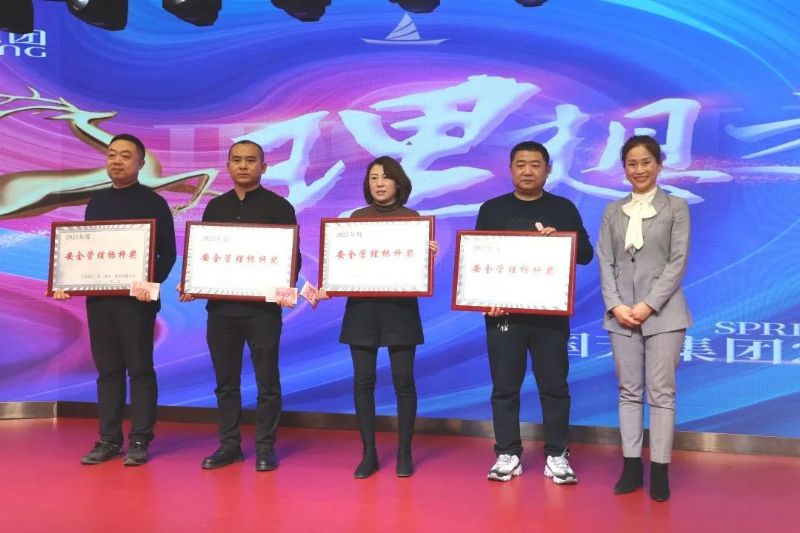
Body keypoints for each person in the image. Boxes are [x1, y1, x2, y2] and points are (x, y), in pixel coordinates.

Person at [52, 133, 176, 466]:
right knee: (108, 371)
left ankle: (140, 440)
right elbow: (87, 252)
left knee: (140, 370)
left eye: (125, 155)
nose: (117, 161)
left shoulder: (154, 203)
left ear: (141, 163)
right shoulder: (97, 202)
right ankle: (108, 439)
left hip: (137, 303)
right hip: (100, 301)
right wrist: (68, 281)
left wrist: (150, 283)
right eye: (111, 155)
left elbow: (168, 253)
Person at [476, 141, 593, 484]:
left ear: (548, 169)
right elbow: (477, 258)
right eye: (521, 164)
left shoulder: (563, 208)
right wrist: (485, 298)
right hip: (503, 314)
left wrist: (563, 240)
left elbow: (586, 254)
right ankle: (508, 452)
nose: (528, 171)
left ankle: (557, 454)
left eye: (535, 164)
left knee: (554, 386)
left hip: (549, 314)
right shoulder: (492, 209)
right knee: (504, 388)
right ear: (511, 168)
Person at [179, 140, 299, 472]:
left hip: (263, 312)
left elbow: (293, 259)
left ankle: (265, 447)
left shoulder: (279, 207)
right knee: (226, 382)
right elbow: (203, 257)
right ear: (228, 166)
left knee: (267, 382)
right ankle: (229, 445)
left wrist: (284, 285)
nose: (243, 165)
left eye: (250, 160)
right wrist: (192, 282)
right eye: (236, 160)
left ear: (264, 167)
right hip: (221, 312)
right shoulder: (215, 207)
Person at [317, 156, 437, 478]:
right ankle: (368, 452)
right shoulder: (356, 219)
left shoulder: (414, 221)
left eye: (385, 177)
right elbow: (343, 265)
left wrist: (426, 257)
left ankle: (404, 452)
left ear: (399, 182)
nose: (379, 183)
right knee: (363, 381)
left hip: (400, 310)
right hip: (362, 310)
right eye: (373, 178)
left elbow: (417, 272)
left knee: (403, 381)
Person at [597, 135, 691, 502]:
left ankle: (661, 469)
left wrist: (648, 304)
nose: (639, 169)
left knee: (662, 393)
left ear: (659, 164)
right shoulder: (613, 210)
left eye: (646, 162)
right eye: (632, 164)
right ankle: (632, 465)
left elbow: (677, 263)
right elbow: (606, 262)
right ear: (624, 168)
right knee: (628, 391)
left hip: (665, 313)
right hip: (620, 315)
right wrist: (616, 305)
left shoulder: (676, 207)